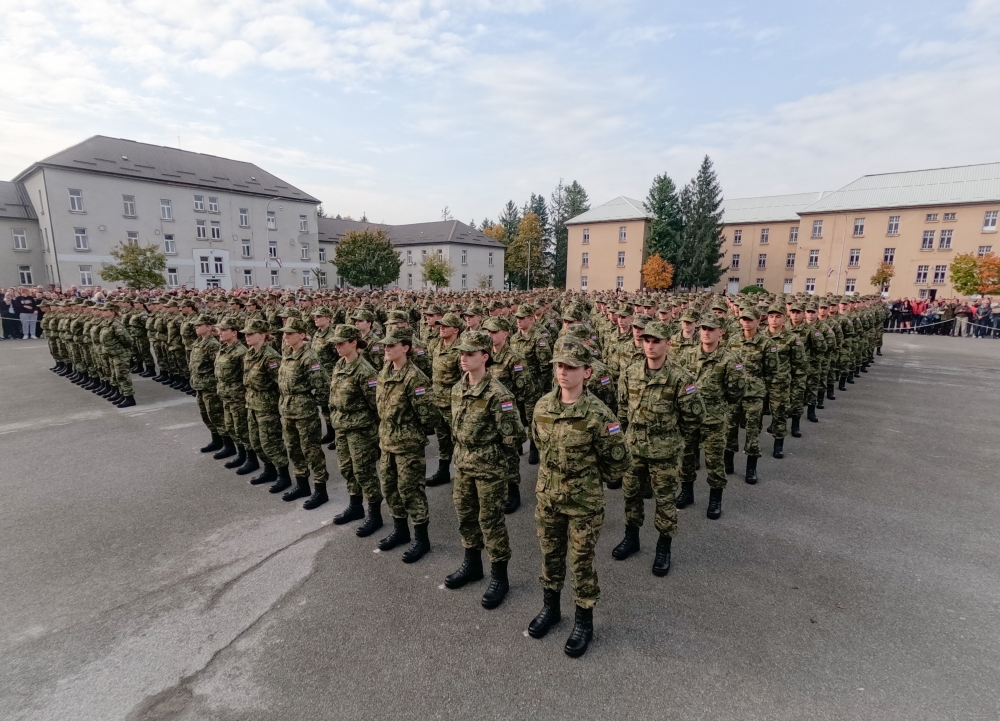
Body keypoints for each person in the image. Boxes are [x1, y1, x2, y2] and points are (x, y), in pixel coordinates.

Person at [528, 338, 631, 658]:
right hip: (548, 499)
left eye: (571, 367)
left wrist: (586, 480)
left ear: (587, 372)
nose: (563, 371)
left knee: (581, 562)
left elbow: (618, 464)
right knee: (549, 556)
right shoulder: (543, 407)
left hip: (584, 504)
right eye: (559, 365)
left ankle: (584, 621)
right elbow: (538, 443)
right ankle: (551, 609)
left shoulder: (600, 415)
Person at [444, 330, 526, 609]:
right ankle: (472, 565)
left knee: (490, 522)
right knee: (466, 516)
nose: (463, 358)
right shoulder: (458, 388)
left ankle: (499, 577)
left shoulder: (498, 394)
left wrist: (493, 458)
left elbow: (514, 437)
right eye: (461, 353)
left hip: (489, 469)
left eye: (470, 353)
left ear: (484, 356)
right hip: (463, 466)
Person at [374, 327, 443, 563]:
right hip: (387, 442)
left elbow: (430, 417)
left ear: (405, 347)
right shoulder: (385, 371)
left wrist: (409, 430)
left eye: (392, 345)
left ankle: (421, 539)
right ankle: (400, 530)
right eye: (385, 345)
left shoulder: (415, 378)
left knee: (411, 491)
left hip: (408, 446)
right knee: (391, 488)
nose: (387, 349)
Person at [677, 314, 745, 519]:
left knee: (715, 460)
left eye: (711, 329)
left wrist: (719, 407)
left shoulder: (730, 360)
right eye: (704, 328)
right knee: (686, 456)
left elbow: (736, 392)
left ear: (721, 332)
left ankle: (715, 499)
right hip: (689, 418)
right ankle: (687, 492)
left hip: (714, 419)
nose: (706, 332)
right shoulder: (687, 354)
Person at [319, 324, 384, 532]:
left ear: (354, 343)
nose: (337, 347)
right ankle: (355, 506)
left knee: (364, 472)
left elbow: (377, 406)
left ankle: (375, 514)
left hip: (361, 430)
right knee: (347, 469)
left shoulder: (365, 371)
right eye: (335, 343)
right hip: (342, 427)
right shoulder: (340, 364)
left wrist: (376, 434)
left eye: (341, 343)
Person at [276, 318, 331, 503]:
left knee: (311, 450)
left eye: (290, 333)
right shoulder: (287, 352)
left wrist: (311, 402)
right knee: (294, 449)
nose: (285, 336)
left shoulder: (309, 357)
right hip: (288, 410)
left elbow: (323, 386)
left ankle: (320, 489)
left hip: (304, 412)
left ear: (301, 335)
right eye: (285, 333)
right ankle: (302, 484)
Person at [242, 319, 292, 490]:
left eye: (251, 334)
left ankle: (283, 476)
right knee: (256, 441)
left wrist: (280, 407)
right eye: (246, 334)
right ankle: (268, 470)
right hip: (252, 404)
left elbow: (280, 384)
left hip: (266, 407)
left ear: (262, 335)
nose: (247, 337)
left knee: (271, 442)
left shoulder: (270, 357)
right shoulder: (250, 353)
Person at [214, 317, 256, 475]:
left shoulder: (241, 352)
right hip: (226, 396)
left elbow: (247, 377)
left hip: (238, 397)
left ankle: (251, 459)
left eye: (224, 330)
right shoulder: (224, 348)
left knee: (242, 429)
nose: (220, 332)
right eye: (220, 330)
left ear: (234, 332)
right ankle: (241, 454)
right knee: (231, 426)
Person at [426, 312, 464, 486]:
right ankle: (443, 471)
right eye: (440, 325)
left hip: (453, 405)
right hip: (438, 402)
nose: (441, 328)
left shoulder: (460, 351)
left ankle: (462, 476)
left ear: (455, 329)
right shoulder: (437, 346)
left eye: (445, 326)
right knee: (442, 439)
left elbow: (465, 381)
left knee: (459, 440)